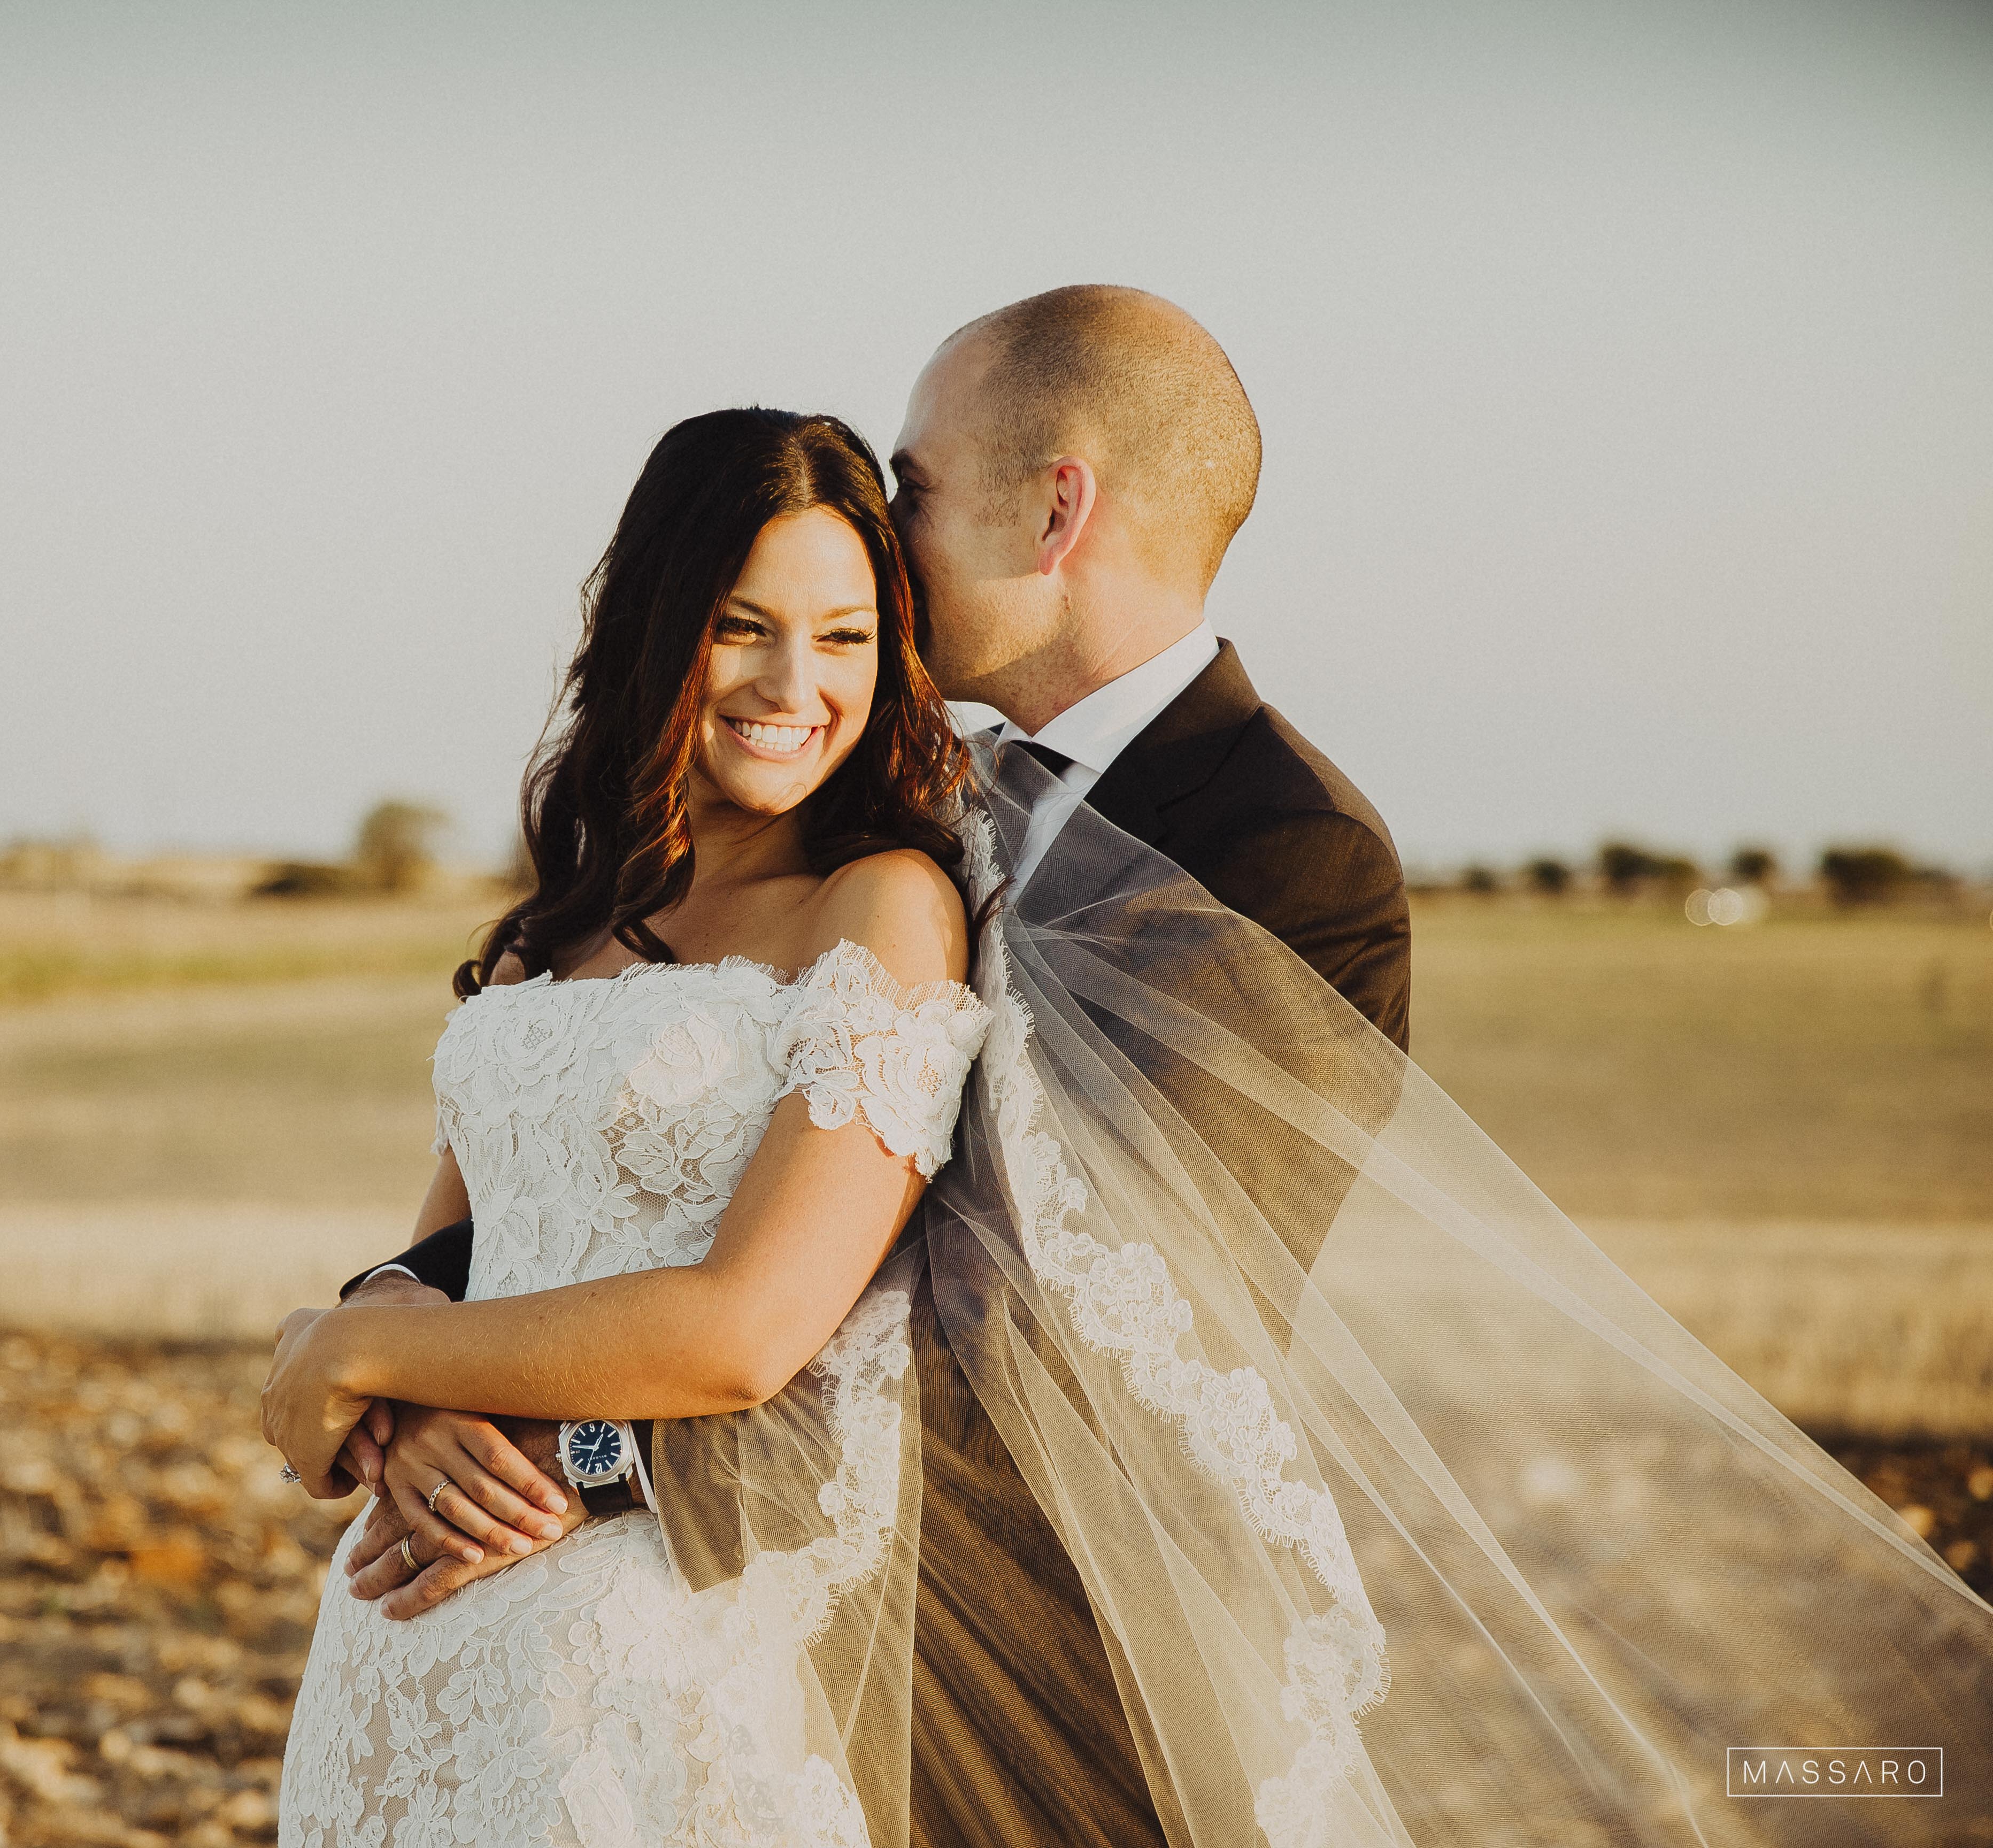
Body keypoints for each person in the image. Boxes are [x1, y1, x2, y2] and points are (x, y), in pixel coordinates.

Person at [286, 288, 1993, 1846]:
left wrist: (574, 1452)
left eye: (917, 487)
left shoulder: (1285, 848)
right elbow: (583, 1157)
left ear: (1057, 508)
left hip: (1026, 1631)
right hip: (635, 1571)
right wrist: (410, 1335)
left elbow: (1026, 1311)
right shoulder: (907, 800)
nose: (884, 543)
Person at [266, 406, 995, 1846]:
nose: (797, 684)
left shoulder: (879, 910)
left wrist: (352, 1348)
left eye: (846, 639)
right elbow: (452, 1264)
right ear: (662, 626)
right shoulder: (568, 922)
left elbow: (743, 1332)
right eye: (746, 626)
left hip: (659, 1662)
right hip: (409, 1649)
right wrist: (398, 1418)